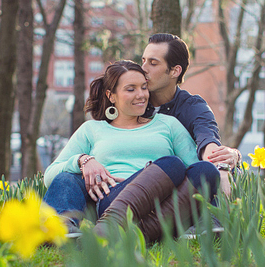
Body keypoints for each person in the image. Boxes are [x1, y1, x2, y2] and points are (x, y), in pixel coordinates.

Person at [43, 60, 219, 241]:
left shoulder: (168, 124)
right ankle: (59, 228)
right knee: (67, 177)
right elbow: (50, 175)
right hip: (115, 200)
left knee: (203, 170)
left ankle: (120, 233)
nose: (141, 95)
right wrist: (82, 160)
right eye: (131, 89)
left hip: (162, 204)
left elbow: (195, 167)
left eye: (144, 87)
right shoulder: (92, 129)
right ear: (111, 96)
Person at [141, 33, 242, 195]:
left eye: (153, 63)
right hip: (135, 181)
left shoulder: (193, 106)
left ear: (175, 71)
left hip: (178, 188)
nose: (143, 69)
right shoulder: (132, 102)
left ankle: (220, 218)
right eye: (143, 61)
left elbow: (207, 138)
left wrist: (222, 165)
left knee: (224, 171)